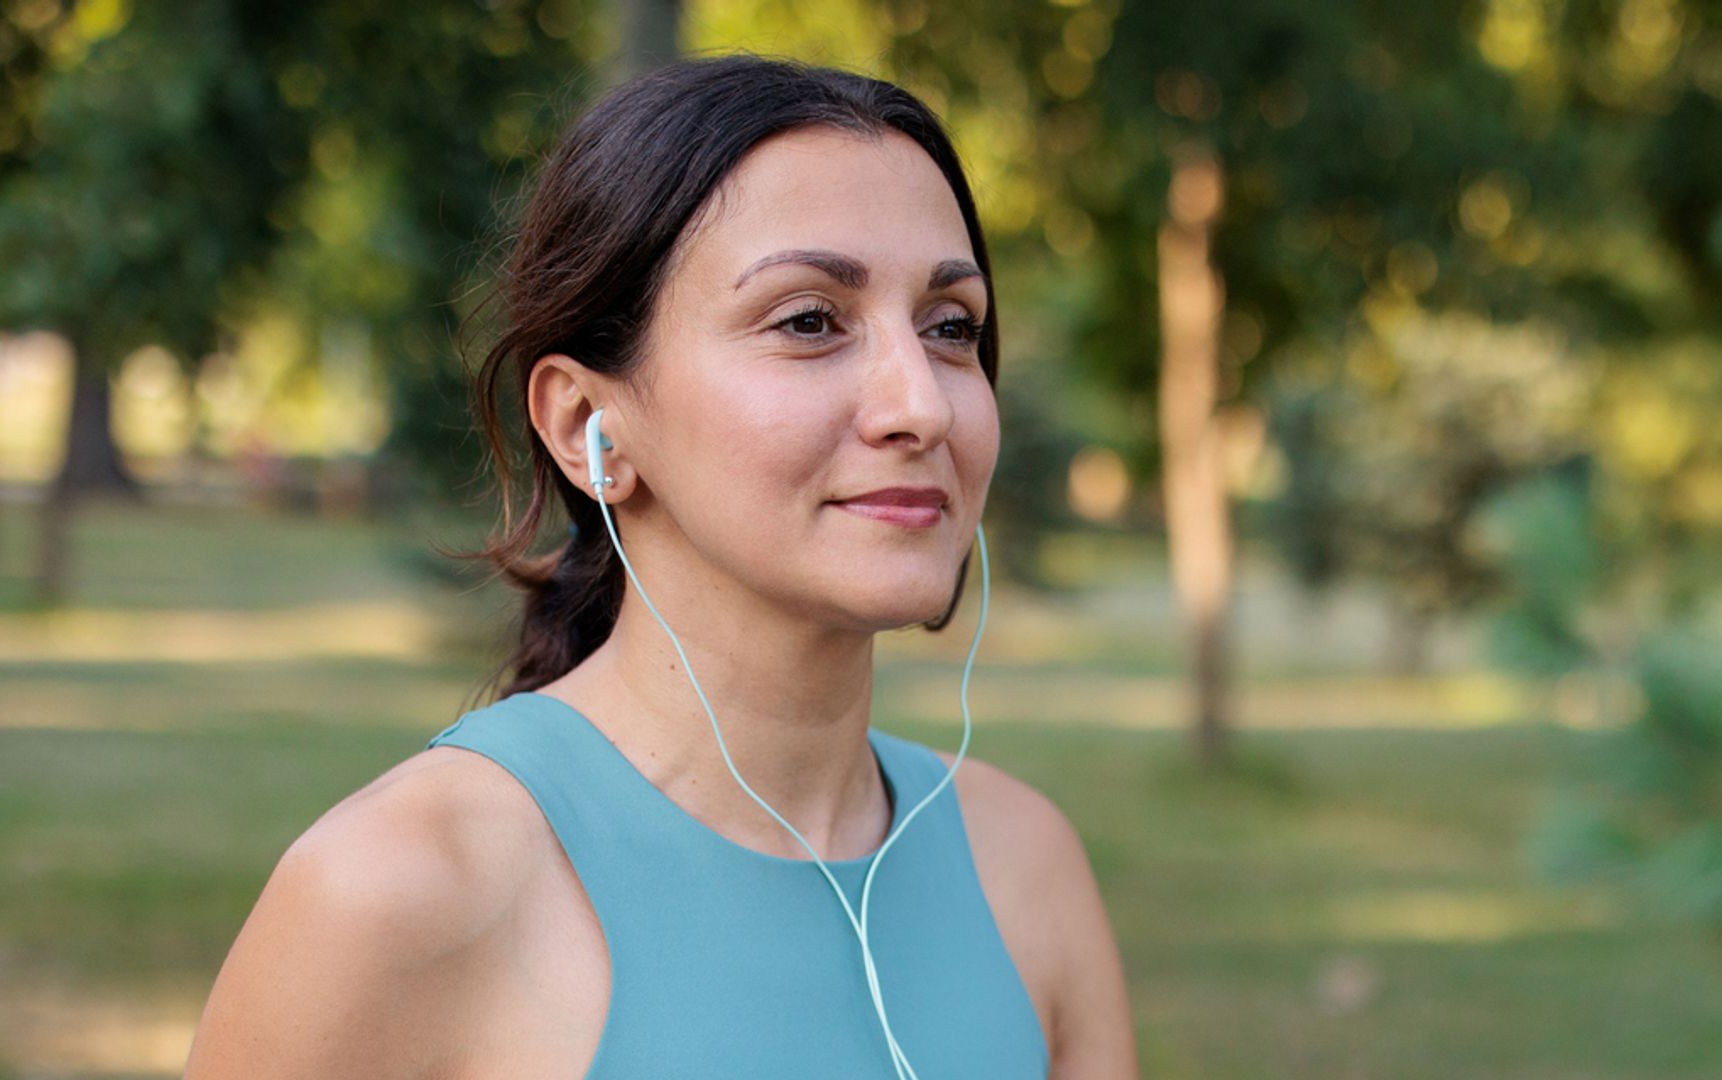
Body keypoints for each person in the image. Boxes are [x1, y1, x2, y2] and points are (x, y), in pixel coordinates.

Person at [182, 54, 1139, 1079]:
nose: (923, 405)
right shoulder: (399, 891)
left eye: (951, 328)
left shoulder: (1022, 865)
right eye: (809, 320)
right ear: (585, 424)